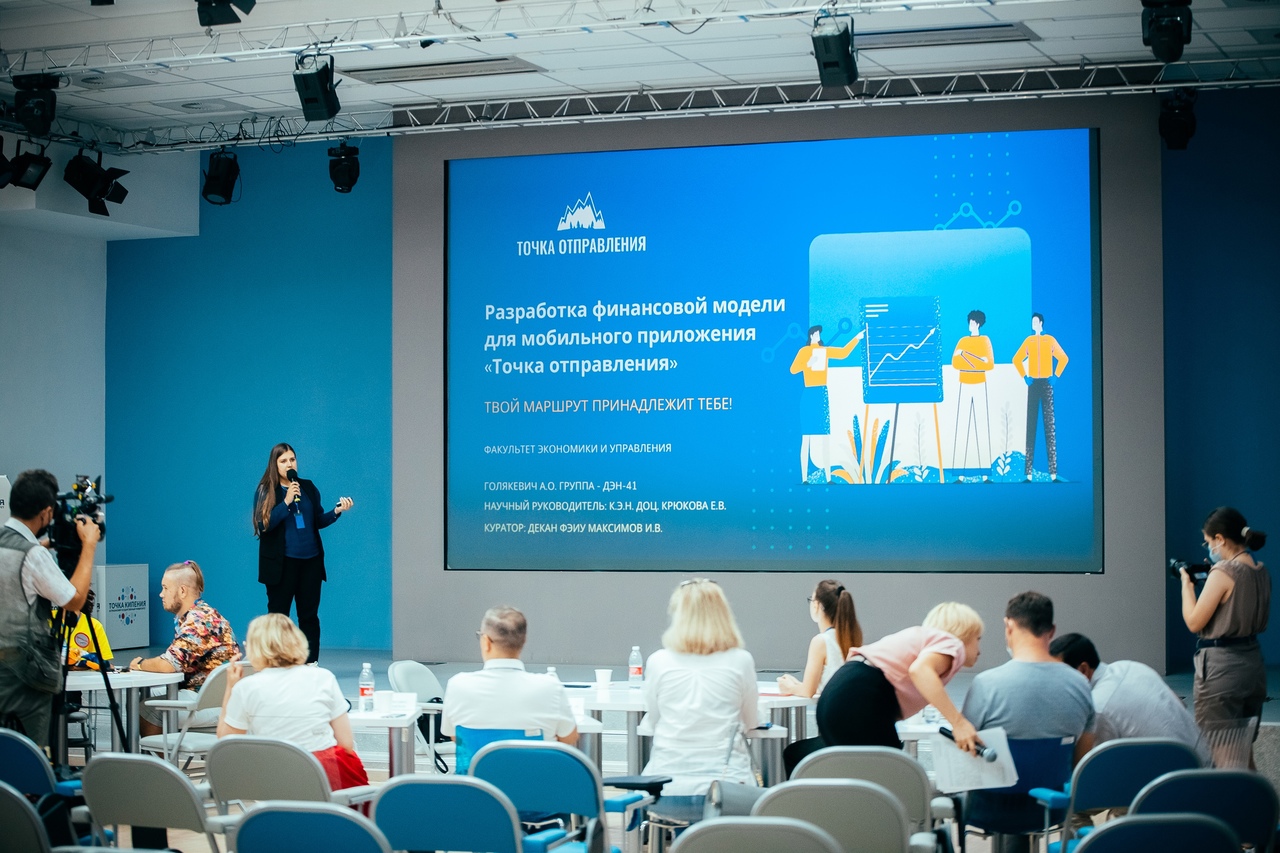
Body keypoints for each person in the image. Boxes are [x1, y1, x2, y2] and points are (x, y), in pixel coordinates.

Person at [960, 592, 1095, 841]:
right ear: (1052, 631)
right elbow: (1081, 760)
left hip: (990, 809)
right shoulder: (1080, 684)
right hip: (1050, 808)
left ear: (1008, 626)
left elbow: (965, 751)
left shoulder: (986, 684)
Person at [798, 602, 983, 775]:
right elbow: (920, 671)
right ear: (964, 634)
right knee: (891, 776)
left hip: (840, 694)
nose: (980, 649)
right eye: (978, 638)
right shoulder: (953, 644)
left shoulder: (925, 642)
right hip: (861, 699)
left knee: (867, 777)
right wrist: (958, 723)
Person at [0, 470, 100, 748]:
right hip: (26, 680)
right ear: (46, 513)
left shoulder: (15, 546)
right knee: (30, 756)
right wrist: (89, 545)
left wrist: (46, 544)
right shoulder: (34, 556)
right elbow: (75, 600)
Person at [217, 613, 368, 791]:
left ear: (256, 649)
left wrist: (231, 687)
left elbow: (226, 742)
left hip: (272, 783)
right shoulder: (323, 678)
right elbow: (346, 743)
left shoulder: (246, 687)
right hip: (322, 782)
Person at [641, 579, 759, 798]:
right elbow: (751, 722)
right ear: (723, 615)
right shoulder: (741, 660)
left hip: (666, 789)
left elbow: (654, 721)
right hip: (728, 789)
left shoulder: (658, 661)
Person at [1180, 507, 1269, 765]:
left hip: (1222, 672)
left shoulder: (1223, 572)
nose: (1209, 547)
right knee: (1243, 756)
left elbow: (1194, 621)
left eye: (1208, 541)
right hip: (1252, 666)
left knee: (1225, 760)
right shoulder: (1260, 570)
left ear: (1219, 539)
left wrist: (1186, 586)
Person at [253, 443, 354, 664]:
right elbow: (263, 525)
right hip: (282, 565)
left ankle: (310, 664)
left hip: (311, 562)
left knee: (309, 617)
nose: (289, 464)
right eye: (283, 461)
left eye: (292, 459)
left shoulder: (307, 487)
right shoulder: (266, 490)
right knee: (278, 618)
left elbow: (317, 520)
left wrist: (337, 511)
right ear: (274, 465)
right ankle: (276, 664)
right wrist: (287, 501)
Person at [1050, 632, 1209, 763]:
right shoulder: (1130, 666)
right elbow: (1179, 704)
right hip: (1203, 758)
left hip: (1176, 779)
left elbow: (1091, 766)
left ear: (1083, 670)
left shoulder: (1099, 707)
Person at [440, 606, 578, 752]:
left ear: (486, 641)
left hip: (477, 767)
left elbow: (456, 737)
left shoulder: (458, 685)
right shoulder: (550, 688)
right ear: (523, 641)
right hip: (534, 767)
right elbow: (569, 738)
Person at [129, 561, 238, 736]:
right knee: (142, 697)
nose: (161, 594)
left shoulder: (198, 620)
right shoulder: (200, 615)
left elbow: (169, 664)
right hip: (212, 694)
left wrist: (140, 664)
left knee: (146, 709)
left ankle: (161, 755)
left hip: (211, 702)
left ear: (182, 591)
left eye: (165, 588)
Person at [790, 324, 865, 483]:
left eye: (819, 334)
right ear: (811, 335)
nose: (818, 336)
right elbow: (793, 369)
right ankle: (804, 479)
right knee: (806, 438)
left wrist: (856, 339)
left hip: (822, 395)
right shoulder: (804, 351)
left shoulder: (824, 351)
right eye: (816, 334)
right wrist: (807, 364)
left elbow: (843, 353)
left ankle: (828, 478)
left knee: (825, 438)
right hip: (809, 394)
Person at [776, 579, 860, 698]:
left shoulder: (821, 641)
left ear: (816, 605)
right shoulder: (852, 636)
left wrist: (789, 687)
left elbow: (808, 692)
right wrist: (797, 685)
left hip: (833, 708)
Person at [1012, 312, 1068, 481]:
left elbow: (1063, 358)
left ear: (1041, 323)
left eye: (1035, 322)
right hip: (1033, 384)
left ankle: (1053, 474)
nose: (1033, 324)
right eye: (1032, 322)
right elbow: (1017, 359)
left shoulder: (1049, 340)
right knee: (1031, 426)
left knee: (1049, 427)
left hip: (1046, 384)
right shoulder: (1029, 341)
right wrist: (1025, 376)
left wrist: (1056, 376)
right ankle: (1028, 474)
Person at [951, 309, 995, 475]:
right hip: (965, 384)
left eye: (971, 322)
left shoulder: (985, 340)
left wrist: (968, 360)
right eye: (969, 322)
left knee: (982, 426)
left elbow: (989, 364)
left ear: (977, 324)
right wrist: (977, 363)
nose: (969, 325)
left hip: (979, 384)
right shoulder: (963, 341)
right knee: (961, 426)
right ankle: (958, 472)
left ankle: (985, 472)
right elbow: (955, 362)